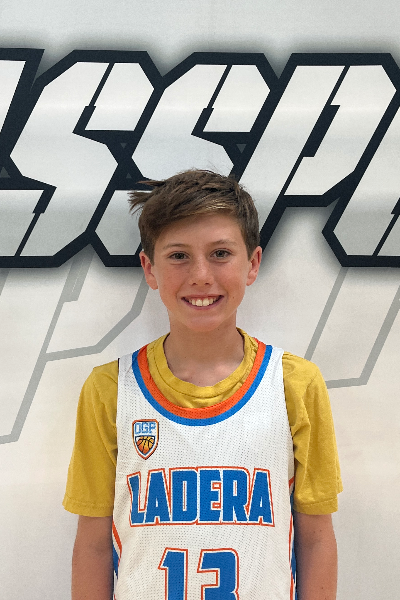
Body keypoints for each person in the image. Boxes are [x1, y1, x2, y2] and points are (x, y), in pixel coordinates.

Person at [63, 169, 342, 600]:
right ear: (149, 268)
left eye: (220, 253)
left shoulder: (294, 384)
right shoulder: (111, 389)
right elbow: (94, 544)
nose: (200, 275)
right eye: (178, 255)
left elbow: (317, 537)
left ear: (252, 264)